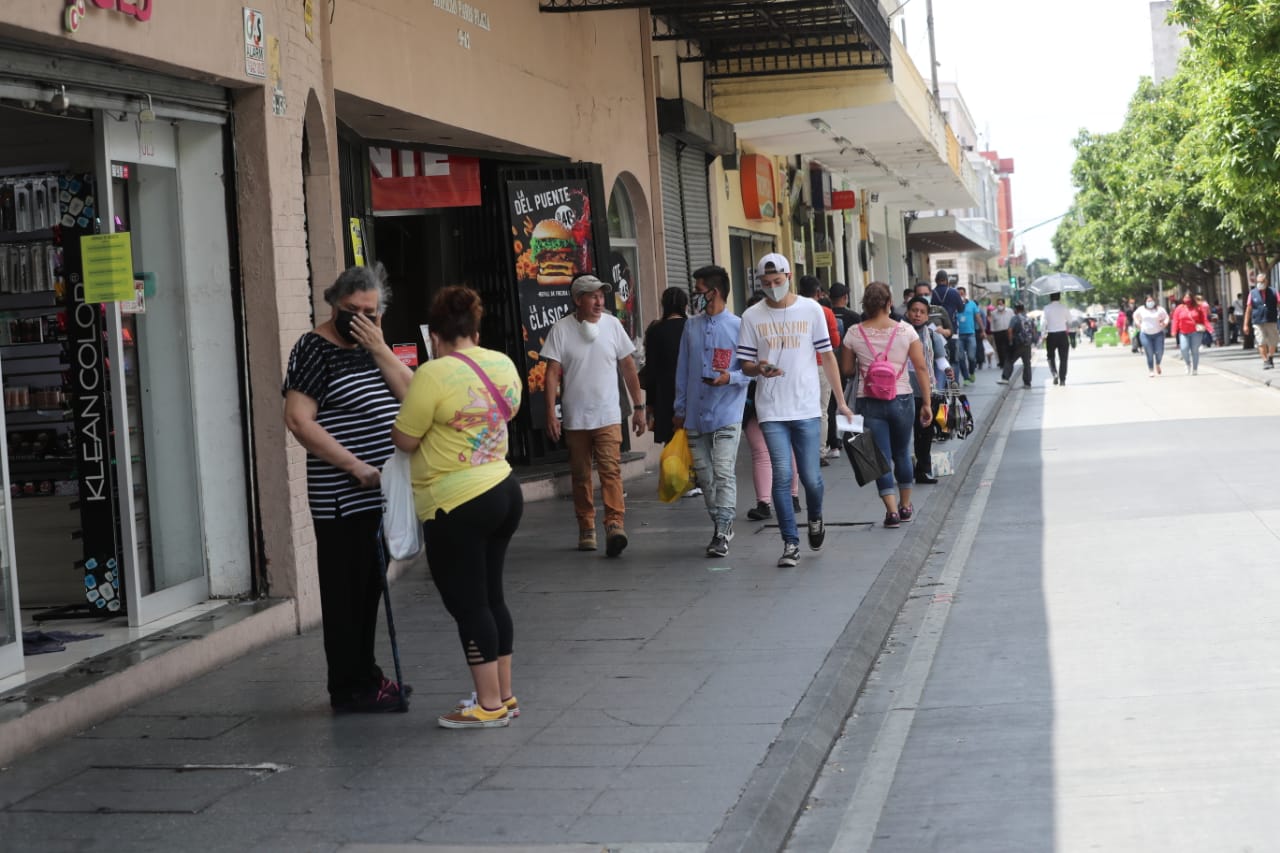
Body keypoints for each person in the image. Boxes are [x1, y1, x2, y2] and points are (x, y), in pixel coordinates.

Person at [282, 263, 413, 714]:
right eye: (351, 310)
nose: (359, 319)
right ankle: (348, 686)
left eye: (369, 313)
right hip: (342, 495)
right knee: (346, 594)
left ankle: (367, 675)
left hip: (380, 493)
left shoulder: (372, 347)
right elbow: (298, 420)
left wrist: (380, 347)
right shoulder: (313, 348)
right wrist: (355, 466)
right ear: (333, 305)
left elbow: (413, 396)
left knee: (370, 588)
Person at [391, 286, 522, 729]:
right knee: (492, 597)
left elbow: (405, 439)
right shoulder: (502, 363)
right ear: (475, 330)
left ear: (435, 335)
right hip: (504, 488)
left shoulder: (432, 374)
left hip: (456, 502)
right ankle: (504, 695)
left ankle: (487, 706)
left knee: (469, 605)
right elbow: (508, 412)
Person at [736, 253, 854, 568]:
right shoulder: (751, 316)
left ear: (789, 277)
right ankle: (790, 542)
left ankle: (815, 517)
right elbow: (745, 364)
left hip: (806, 406)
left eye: (777, 281)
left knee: (812, 479)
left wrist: (841, 402)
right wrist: (759, 368)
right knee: (782, 475)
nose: (772, 287)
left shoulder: (811, 309)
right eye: (766, 283)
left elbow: (827, 356)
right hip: (771, 409)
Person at [542, 274, 646, 556]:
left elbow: (628, 366)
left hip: (608, 415)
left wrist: (638, 408)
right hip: (576, 417)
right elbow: (551, 373)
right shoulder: (561, 329)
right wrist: (550, 412)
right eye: (592, 296)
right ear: (578, 300)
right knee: (581, 475)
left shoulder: (612, 325)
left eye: (601, 296)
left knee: (611, 470)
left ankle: (614, 524)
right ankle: (586, 526)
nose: (599, 301)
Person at [673, 265, 750, 558]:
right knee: (705, 478)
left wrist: (729, 378)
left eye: (699, 290)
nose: (695, 295)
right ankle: (720, 523)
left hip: (727, 413)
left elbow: (750, 372)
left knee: (723, 471)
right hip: (695, 414)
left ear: (713, 292)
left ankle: (722, 531)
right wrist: (679, 408)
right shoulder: (690, 326)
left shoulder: (739, 326)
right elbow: (682, 370)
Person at [842, 282, 932, 528]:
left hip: (868, 400)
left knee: (880, 456)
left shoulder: (854, 333)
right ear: (889, 303)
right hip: (902, 398)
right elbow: (921, 367)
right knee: (902, 452)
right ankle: (906, 506)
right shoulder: (906, 331)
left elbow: (847, 369)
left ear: (866, 305)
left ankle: (891, 512)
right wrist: (926, 402)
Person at [905, 296, 952, 485]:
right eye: (914, 311)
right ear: (907, 312)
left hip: (924, 392)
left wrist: (947, 370)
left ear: (927, 316)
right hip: (900, 392)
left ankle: (922, 471)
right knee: (900, 436)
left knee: (924, 435)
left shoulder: (932, 335)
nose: (917, 315)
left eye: (922, 312)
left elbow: (940, 358)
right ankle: (903, 468)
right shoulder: (897, 332)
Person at [798, 275, 842, 464]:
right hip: (822, 364)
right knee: (822, 410)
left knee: (801, 410)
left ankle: (802, 451)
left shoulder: (793, 311)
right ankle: (819, 452)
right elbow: (835, 342)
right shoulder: (826, 312)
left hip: (800, 366)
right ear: (818, 293)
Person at [642, 287, 688, 446]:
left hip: (664, 396)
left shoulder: (655, 331)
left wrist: (650, 403)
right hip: (690, 394)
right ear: (685, 305)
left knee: (672, 446)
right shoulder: (691, 327)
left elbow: (651, 370)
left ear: (664, 305)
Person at [1244, 272, 1279, 369]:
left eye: (1262, 282)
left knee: (1273, 341)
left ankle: (1270, 357)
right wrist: (1245, 324)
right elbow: (1248, 309)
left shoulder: (1273, 292)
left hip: (1271, 320)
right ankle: (1265, 360)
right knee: (1261, 341)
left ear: (1266, 281)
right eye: (1258, 282)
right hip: (1258, 322)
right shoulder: (1252, 293)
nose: (1260, 284)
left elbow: (1279, 304)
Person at [1171, 292, 1210, 375]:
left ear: (1192, 298)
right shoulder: (1179, 308)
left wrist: (1208, 327)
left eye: (1188, 298)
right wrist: (1174, 330)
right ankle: (1187, 364)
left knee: (1194, 350)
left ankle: (1195, 368)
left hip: (1196, 332)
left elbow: (1204, 318)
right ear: (1183, 299)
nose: (1187, 299)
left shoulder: (1198, 307)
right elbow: (1175, 320)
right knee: (1184, 349)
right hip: (1183, 332)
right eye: (1185, 297)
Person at [998, 303, 1034, 388]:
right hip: (1027, 344)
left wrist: (1010, 341)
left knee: (1009, 360)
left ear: (1016, 310)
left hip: (1017, 344)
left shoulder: (1015, 318)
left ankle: (1005, 378)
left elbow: (1010, 330)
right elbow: (1033, 331)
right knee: (1027, 363)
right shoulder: (1028, 318)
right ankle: (1027, 383)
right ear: (1023, 309)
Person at [1132, 295, 1170, 377]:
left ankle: (1158, 363)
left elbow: (1166, 317)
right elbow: (1135, 315)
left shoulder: (1159, 309)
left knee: (1159, 351)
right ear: (1145, 302)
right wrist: (1137, 323)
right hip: (1145, 334)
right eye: (1148, 301)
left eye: (1151, 301)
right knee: (1149, 352)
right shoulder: (1141, 309)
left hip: (1158, 334)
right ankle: (1151, 370)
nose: (1150, 302)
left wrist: (1165, 323)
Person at [954, 285, 982, 384]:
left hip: (971, 334)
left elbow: (978, 317)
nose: (960, 296)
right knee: (961, 357)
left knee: (971, 356)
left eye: (962, 294)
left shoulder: (972, 304)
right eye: (958, 294)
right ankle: (966, 378)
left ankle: (972, 372)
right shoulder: (954, 305)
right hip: (958, 335)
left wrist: (982, 330)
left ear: (965, 294)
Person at [1042, 292, 1070, 386]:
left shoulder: (1046, 308)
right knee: (1063, 358)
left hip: (1051, 335)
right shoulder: (1064, 307)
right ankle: (1062, 380)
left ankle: (1054, 373)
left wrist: (1043, 334)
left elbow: (1043, 323)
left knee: (1050, 356)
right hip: (1062, 335)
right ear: (1059, 297)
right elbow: (1070, 320)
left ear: (1050, 298)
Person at [988, 297, 1013, 370]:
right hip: (997, 332)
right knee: (999, 348)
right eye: (998, 304)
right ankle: (1002, 362)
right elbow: (992, 323)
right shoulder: (993, 313)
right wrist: (992, 332)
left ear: (1004, 304)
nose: (1000, 305)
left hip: (1007, 331)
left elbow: (1013, 321)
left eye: (1001, 304)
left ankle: (1008, 361)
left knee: (1007, 347)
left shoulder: (1010, 311)